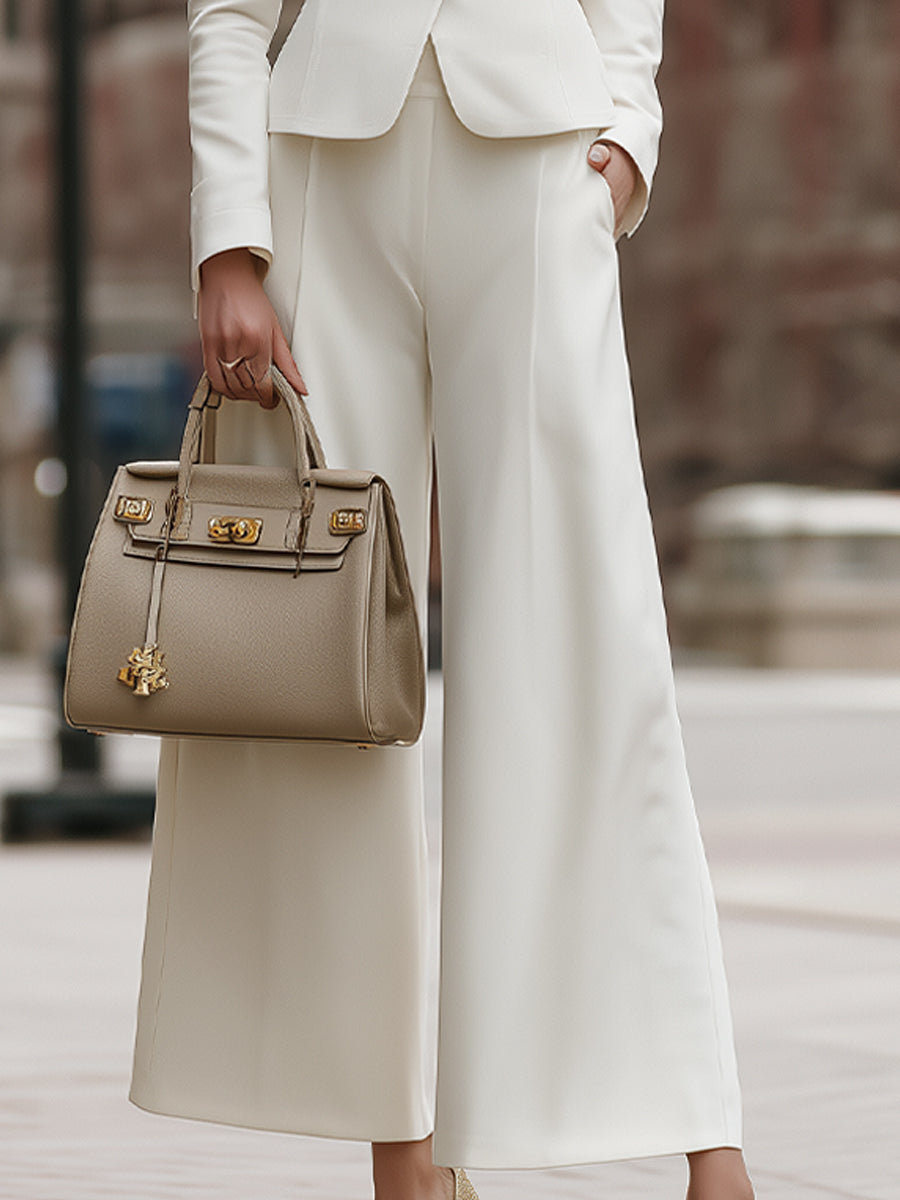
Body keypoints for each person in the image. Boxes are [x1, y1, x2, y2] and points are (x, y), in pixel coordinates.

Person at [129, 3, 755, 1199]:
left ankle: (703, 1133)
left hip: (540, 167)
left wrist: (628, 134)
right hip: (325, 168)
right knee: (327, 654)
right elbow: (228, 13)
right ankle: (403, 1157)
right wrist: (229, 246)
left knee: (586, 637)